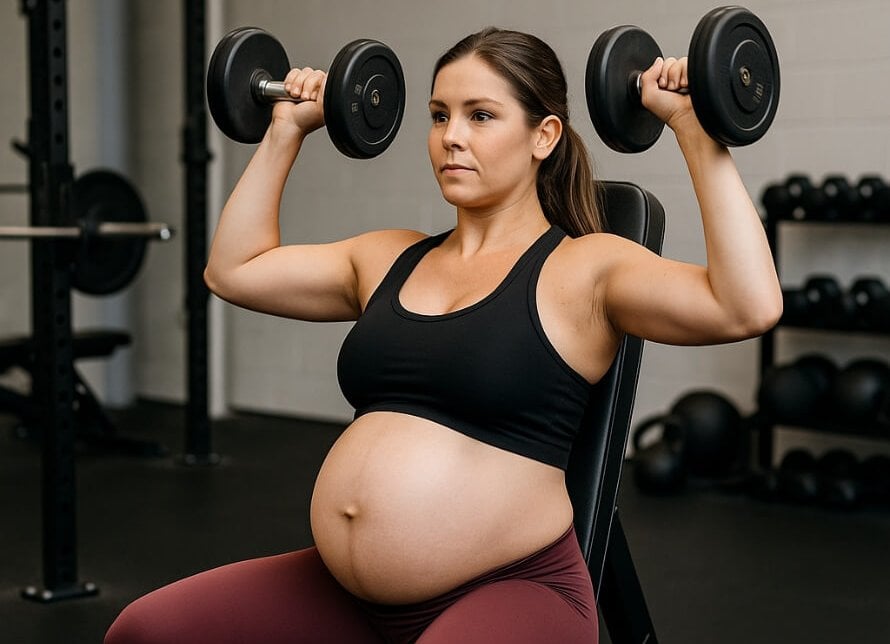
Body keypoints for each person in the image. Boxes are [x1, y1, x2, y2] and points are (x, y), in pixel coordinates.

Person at [105, 27, 781, 644]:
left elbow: (745, 306)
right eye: (438, 115)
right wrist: (285, 129)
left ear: (544, 136)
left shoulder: (585, 267)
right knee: (146, 632)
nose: (451, 136)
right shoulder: (387, 259)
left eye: (480, 116)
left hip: (509, 590)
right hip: (347, 595)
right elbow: (233, 270)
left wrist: (695, 129)